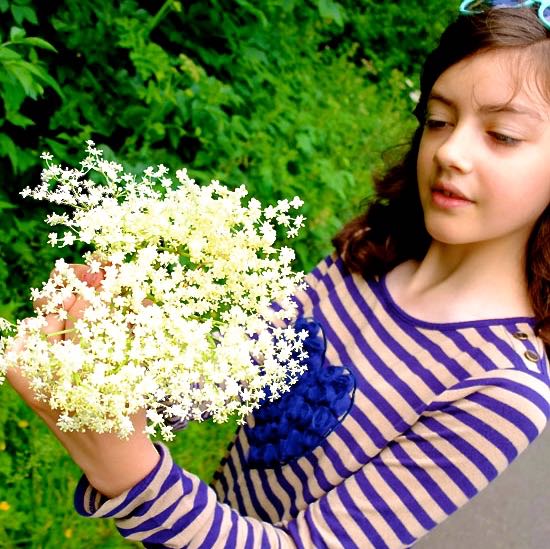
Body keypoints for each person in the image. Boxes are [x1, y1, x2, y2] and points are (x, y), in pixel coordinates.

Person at [6, 2, 550, 547]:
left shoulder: (500, 388)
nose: (450, 150)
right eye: (438, 120)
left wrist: (126, 469)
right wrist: (138, 355)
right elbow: (236, 376)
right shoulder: (367, 258)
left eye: (502, 135)